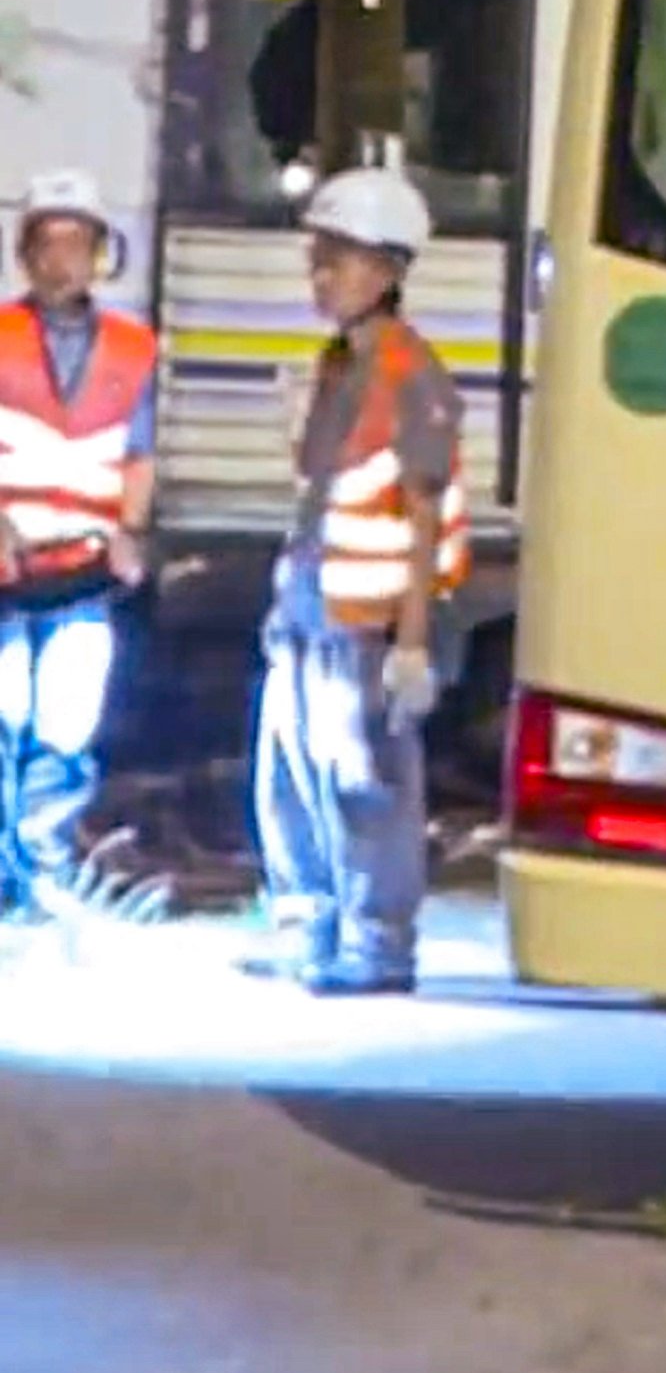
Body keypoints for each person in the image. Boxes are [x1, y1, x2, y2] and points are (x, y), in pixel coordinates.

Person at [252, 166, 468, 995]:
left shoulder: (413, 375)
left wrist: (411, 641)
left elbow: (422, 508)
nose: (320, 275)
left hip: (365, 614)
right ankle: (308, 929)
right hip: (309, 597)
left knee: (363, 779)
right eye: (317, 257)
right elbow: (318, 478)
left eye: (334, 259)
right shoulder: (339, 362)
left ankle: (378, 945)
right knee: (290, 772)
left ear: (385, 270)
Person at [0, 171, 156, 921]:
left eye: (78, 242)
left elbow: (140, 452)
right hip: (5, 569)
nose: (64, 257)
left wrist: (130, 527)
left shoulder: (133, 347)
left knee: (64, 728)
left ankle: (45, 869)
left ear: (100, 252)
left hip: (86, 572)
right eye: (50, 241)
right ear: (26, 252)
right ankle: (7, 879)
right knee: (3, 723)